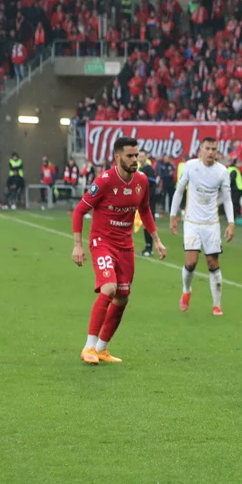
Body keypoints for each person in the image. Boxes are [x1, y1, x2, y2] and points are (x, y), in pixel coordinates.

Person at [71, 136, 166, 365]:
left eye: (137, 155)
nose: (135, 160)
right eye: (130, 156)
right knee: (110, 287)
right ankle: (88, 347)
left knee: (123, 297)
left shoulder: (141, 181)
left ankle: (102, 348)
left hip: (125, 245)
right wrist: (77, 245)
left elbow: (145, 211)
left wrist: (157, 240)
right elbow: (79, 211)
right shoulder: (104, 181)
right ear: (117, 157)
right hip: (102, 241)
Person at [170, 137, 236, 316]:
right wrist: (173, 215)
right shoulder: (190, 167)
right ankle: (186, 290)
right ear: (201, 150)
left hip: (211, 224)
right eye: (207, 148)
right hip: (191, 222)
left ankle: (216, 305)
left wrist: (231, 222)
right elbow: (179, 191)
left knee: (212, 262)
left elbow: (228, 199)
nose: (210, 152)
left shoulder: (222, 172)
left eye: (214, 149)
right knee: (191, 263)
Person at [138, 151, 158, 256]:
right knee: (145, 224)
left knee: (149, 224)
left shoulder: (149, 169)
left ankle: (149, 249)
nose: (140, 158)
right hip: (142, 202)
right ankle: (147, 247)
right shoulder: (140, 169)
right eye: (139, 156)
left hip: (149, 202)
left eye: (142, 156)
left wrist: (147, 199)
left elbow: (153, 186)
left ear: (146, 157)